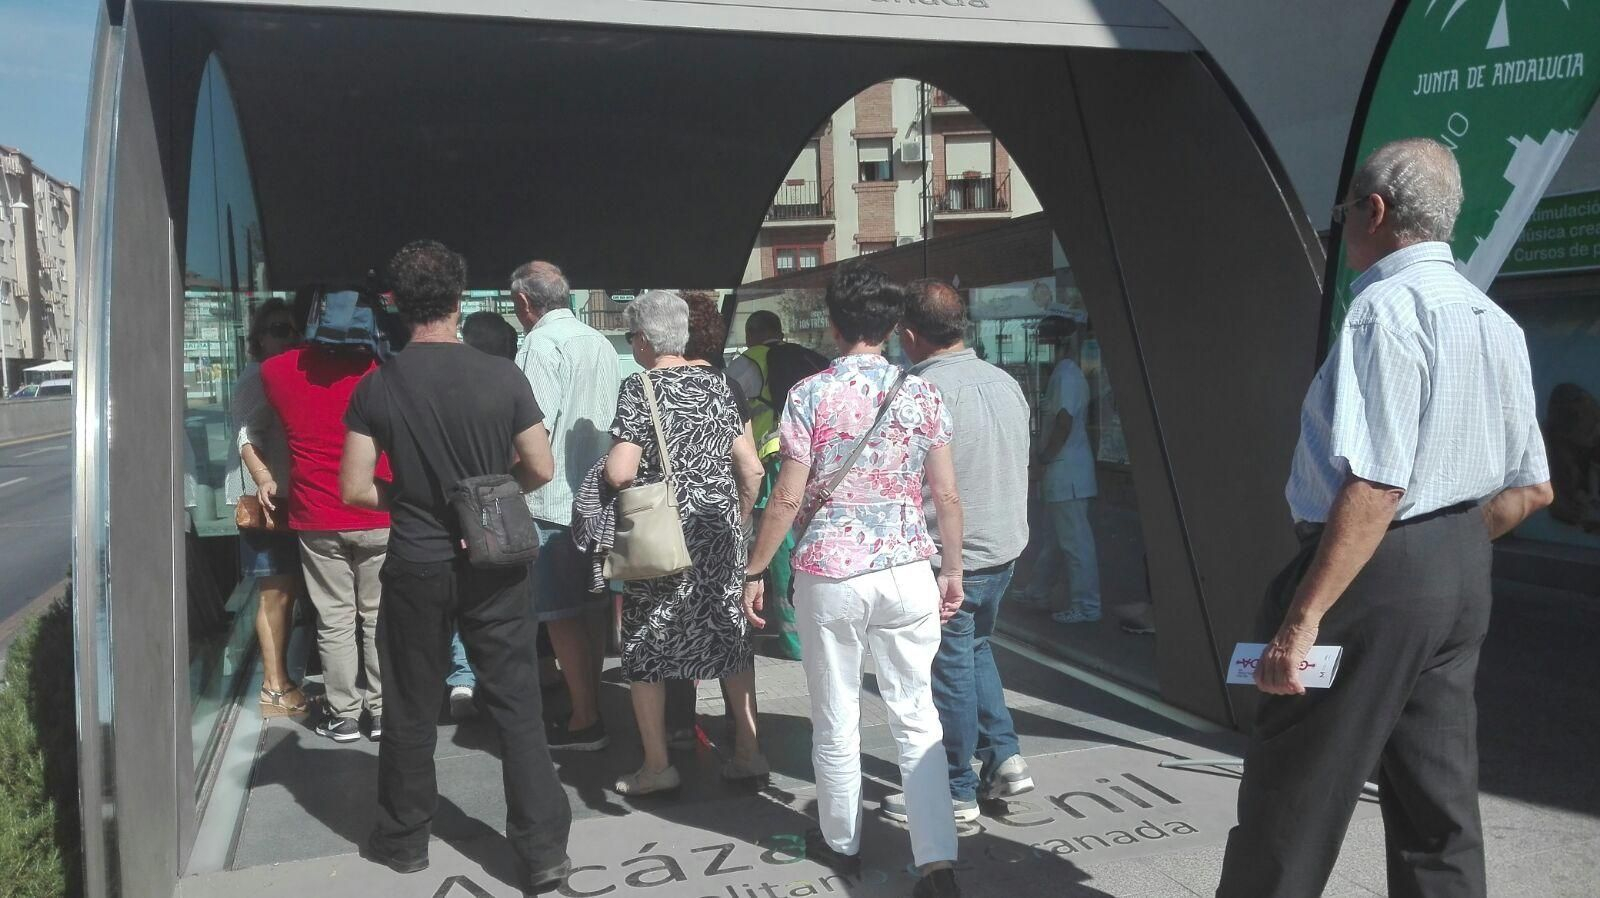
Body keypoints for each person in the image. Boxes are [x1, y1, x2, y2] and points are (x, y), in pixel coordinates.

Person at [1216, 138, 1554, 898]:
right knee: (1438, 800)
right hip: (1463, 562)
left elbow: (1376, 486)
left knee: (1295, 793)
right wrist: (1447, 548)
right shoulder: (1493, 319)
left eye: (1344, 216)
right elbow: (1533, 492)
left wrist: (1303, 620)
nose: (1344, 234)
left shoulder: (1384, 308)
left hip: (1378, 565)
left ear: (1374, 210)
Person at [340, 240, 572, 894]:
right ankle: (542, 851)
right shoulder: (504, 376)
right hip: (496, 558)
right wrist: (487, 503)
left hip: (415, 559)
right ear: (460, 300)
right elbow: (540, 467)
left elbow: (355, 488)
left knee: (411, 702)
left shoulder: (376, 386)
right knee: (517, 702)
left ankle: (406, 840)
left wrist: (413, 499)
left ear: (395, 303)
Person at [743, 264, 965, 898]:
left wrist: (755, 568)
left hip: (832, 573)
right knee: (917, 716)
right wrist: (951, 567)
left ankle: (842, 844)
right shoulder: (922, 394)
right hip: (906, 570)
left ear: (834, 325)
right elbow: (945, 493)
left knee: (835, 711)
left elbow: (786, 497)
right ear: (895, 325)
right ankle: (938, 863)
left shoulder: (810, 395)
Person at [881, 278, 1033, 825]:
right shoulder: (1004, 381)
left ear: (911, 334)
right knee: (976, 650)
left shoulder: (919, 392)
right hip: (1004, 545)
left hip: (951, 557)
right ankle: (1005, 756)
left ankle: (955, 789)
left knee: (948, 670)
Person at [604, 289, 767, 794]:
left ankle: (658, 767)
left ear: (647, 341)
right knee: (731, 640)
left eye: (633, 335)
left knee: (648, 647)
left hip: (663, 542)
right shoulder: (718, 385)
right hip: (718, 536)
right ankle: (748, 752)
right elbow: (753, 469)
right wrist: (736, 524)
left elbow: (620, 472)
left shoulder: (640, 388)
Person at [261, 288, 392, 743]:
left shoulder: (276, 372)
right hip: (378, 507)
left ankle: (344, 714)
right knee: (377, 615)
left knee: (334, 618)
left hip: (316, 513)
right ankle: (382, 711)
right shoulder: (382, 371)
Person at [511, 260, 620, 751]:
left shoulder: (538, 345)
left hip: (551, 497)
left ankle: (584, 718)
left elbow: (534, 428)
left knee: (558, 612)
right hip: (597, 493)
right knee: (589, 609)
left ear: (524, 303)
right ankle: (591, 705)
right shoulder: (597, 340)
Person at [443, 309, 525, 720]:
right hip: (502, 506)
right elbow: (535, 460)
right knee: (501, 599)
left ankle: (461, 677)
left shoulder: (443, 387)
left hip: (453, 507)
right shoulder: (511, 384)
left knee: (461, 595)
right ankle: (499, 683)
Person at [231, 298, 306, 716]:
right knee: (274, 594)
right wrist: (264, 479)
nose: (288, 336)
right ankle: (274, 687)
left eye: (293, 329)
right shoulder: (258, 376)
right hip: (264, 502)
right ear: (258, 338)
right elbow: (245, 433)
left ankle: (279, 680)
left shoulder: (278, 374)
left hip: (280, 496)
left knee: (284, 592)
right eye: (278, 329)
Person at [1019, 309, 1102, 625]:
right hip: (1063, 472)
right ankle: (1038, 590)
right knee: (1056, 540)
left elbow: (1063, 421)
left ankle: (1087, 606)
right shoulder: (1064, 373)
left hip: (1065, 472)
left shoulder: (1066, 375)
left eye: (1045, 342)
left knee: (1076, 544)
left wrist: (1043, 459)